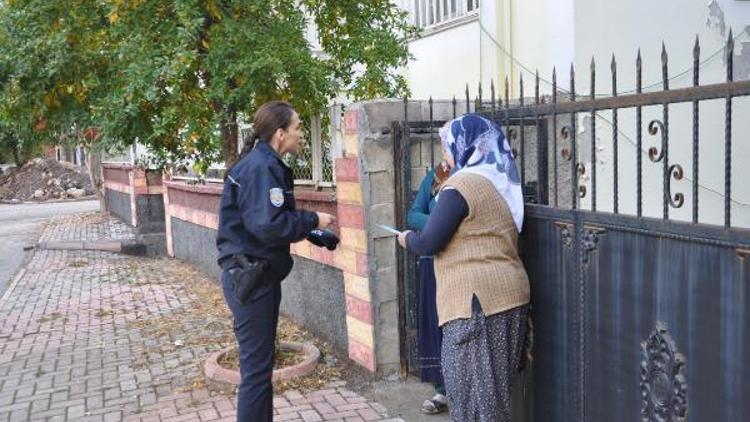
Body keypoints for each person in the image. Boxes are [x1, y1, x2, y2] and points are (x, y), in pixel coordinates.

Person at [397, 114, 530, 422]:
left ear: (464, 145)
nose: (444, 155)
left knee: (472, 401)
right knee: (493, 398)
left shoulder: (461, 185)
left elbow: (429, 241)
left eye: (447, 147)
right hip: (508, 299)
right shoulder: (497, 182)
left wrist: (408, 239)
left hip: (477, 305)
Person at [216, 101, 336, 422]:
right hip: (251, 278)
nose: (300, 135)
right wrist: (313, 219)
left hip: (258, 276)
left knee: (259, 369)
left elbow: (268, 220)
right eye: (297, 128)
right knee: (255, 373)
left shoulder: (265, 164)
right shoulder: (261, 168)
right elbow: (267, 226)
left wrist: (313, 233)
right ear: (280, 133)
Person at [407, 160, 451, 414]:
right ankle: (441, 390)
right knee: (434, 323)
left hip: (457, 264)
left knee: (455, 324)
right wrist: (440, 223)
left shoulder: (472, 175)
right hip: (430, 260)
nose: (445, 150)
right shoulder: (437, 175)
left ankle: (462, 387)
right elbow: (413, 214)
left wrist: (437, 224)